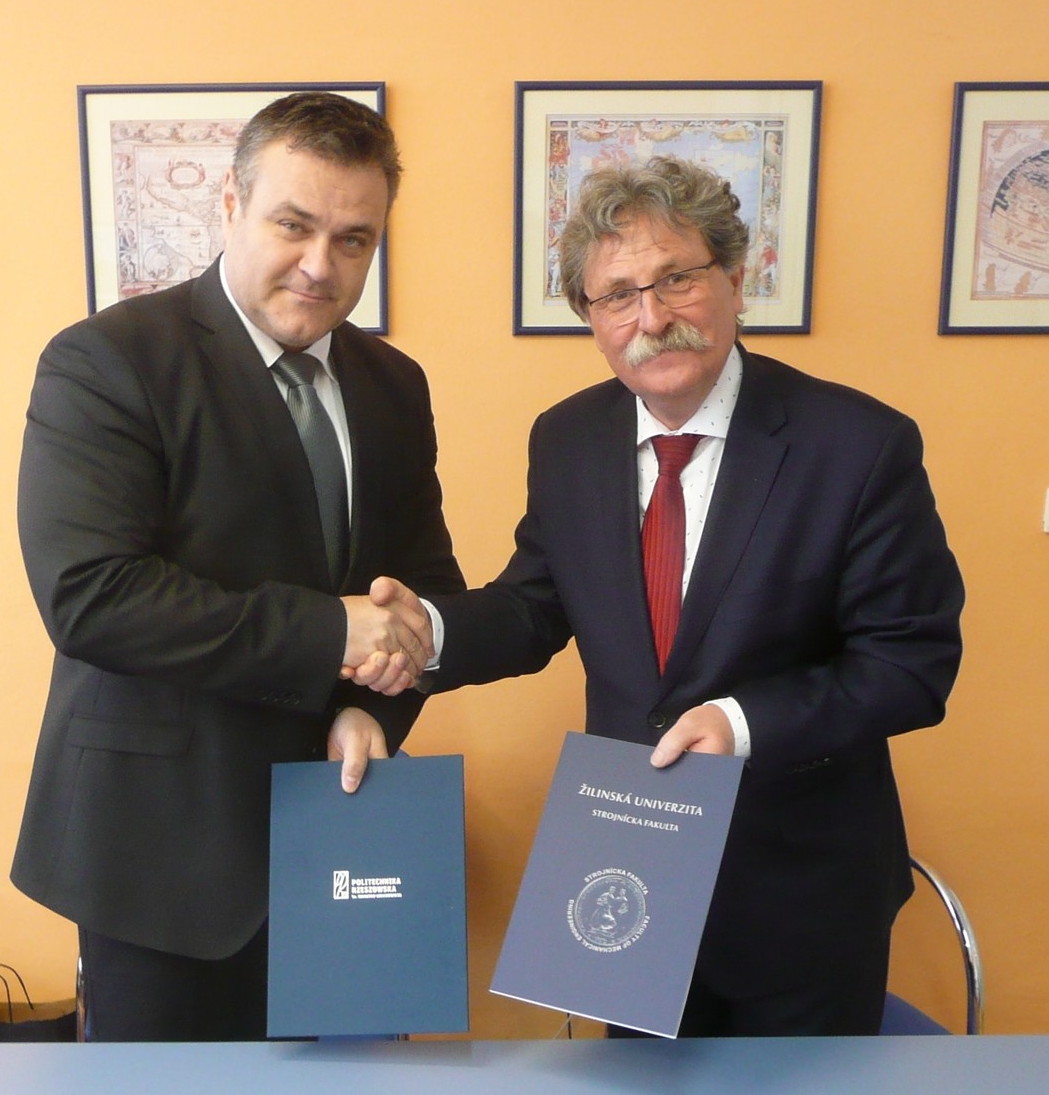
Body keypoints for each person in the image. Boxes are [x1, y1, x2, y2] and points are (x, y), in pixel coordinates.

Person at [357, 156, 964, 1037]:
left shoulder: (858, 444)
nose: (652, 318)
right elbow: (534, 607)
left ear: (735, 279)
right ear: (591, 318)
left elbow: (910, 663)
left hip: (800, 896)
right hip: (628, 887)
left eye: (678, 279)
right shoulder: (567, 438)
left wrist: (740, 725)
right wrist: (431, 631)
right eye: (618, 295)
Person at [12, 92, 462, 1041]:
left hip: (345, 840)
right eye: (293, 225)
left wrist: (374, 708)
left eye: (353, 239)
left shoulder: (395, 384)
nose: (321, 264)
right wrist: (332, 632)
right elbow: (93, 598)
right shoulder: (107, 361)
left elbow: (422, 592)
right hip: (159, 862)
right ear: (230, 205)